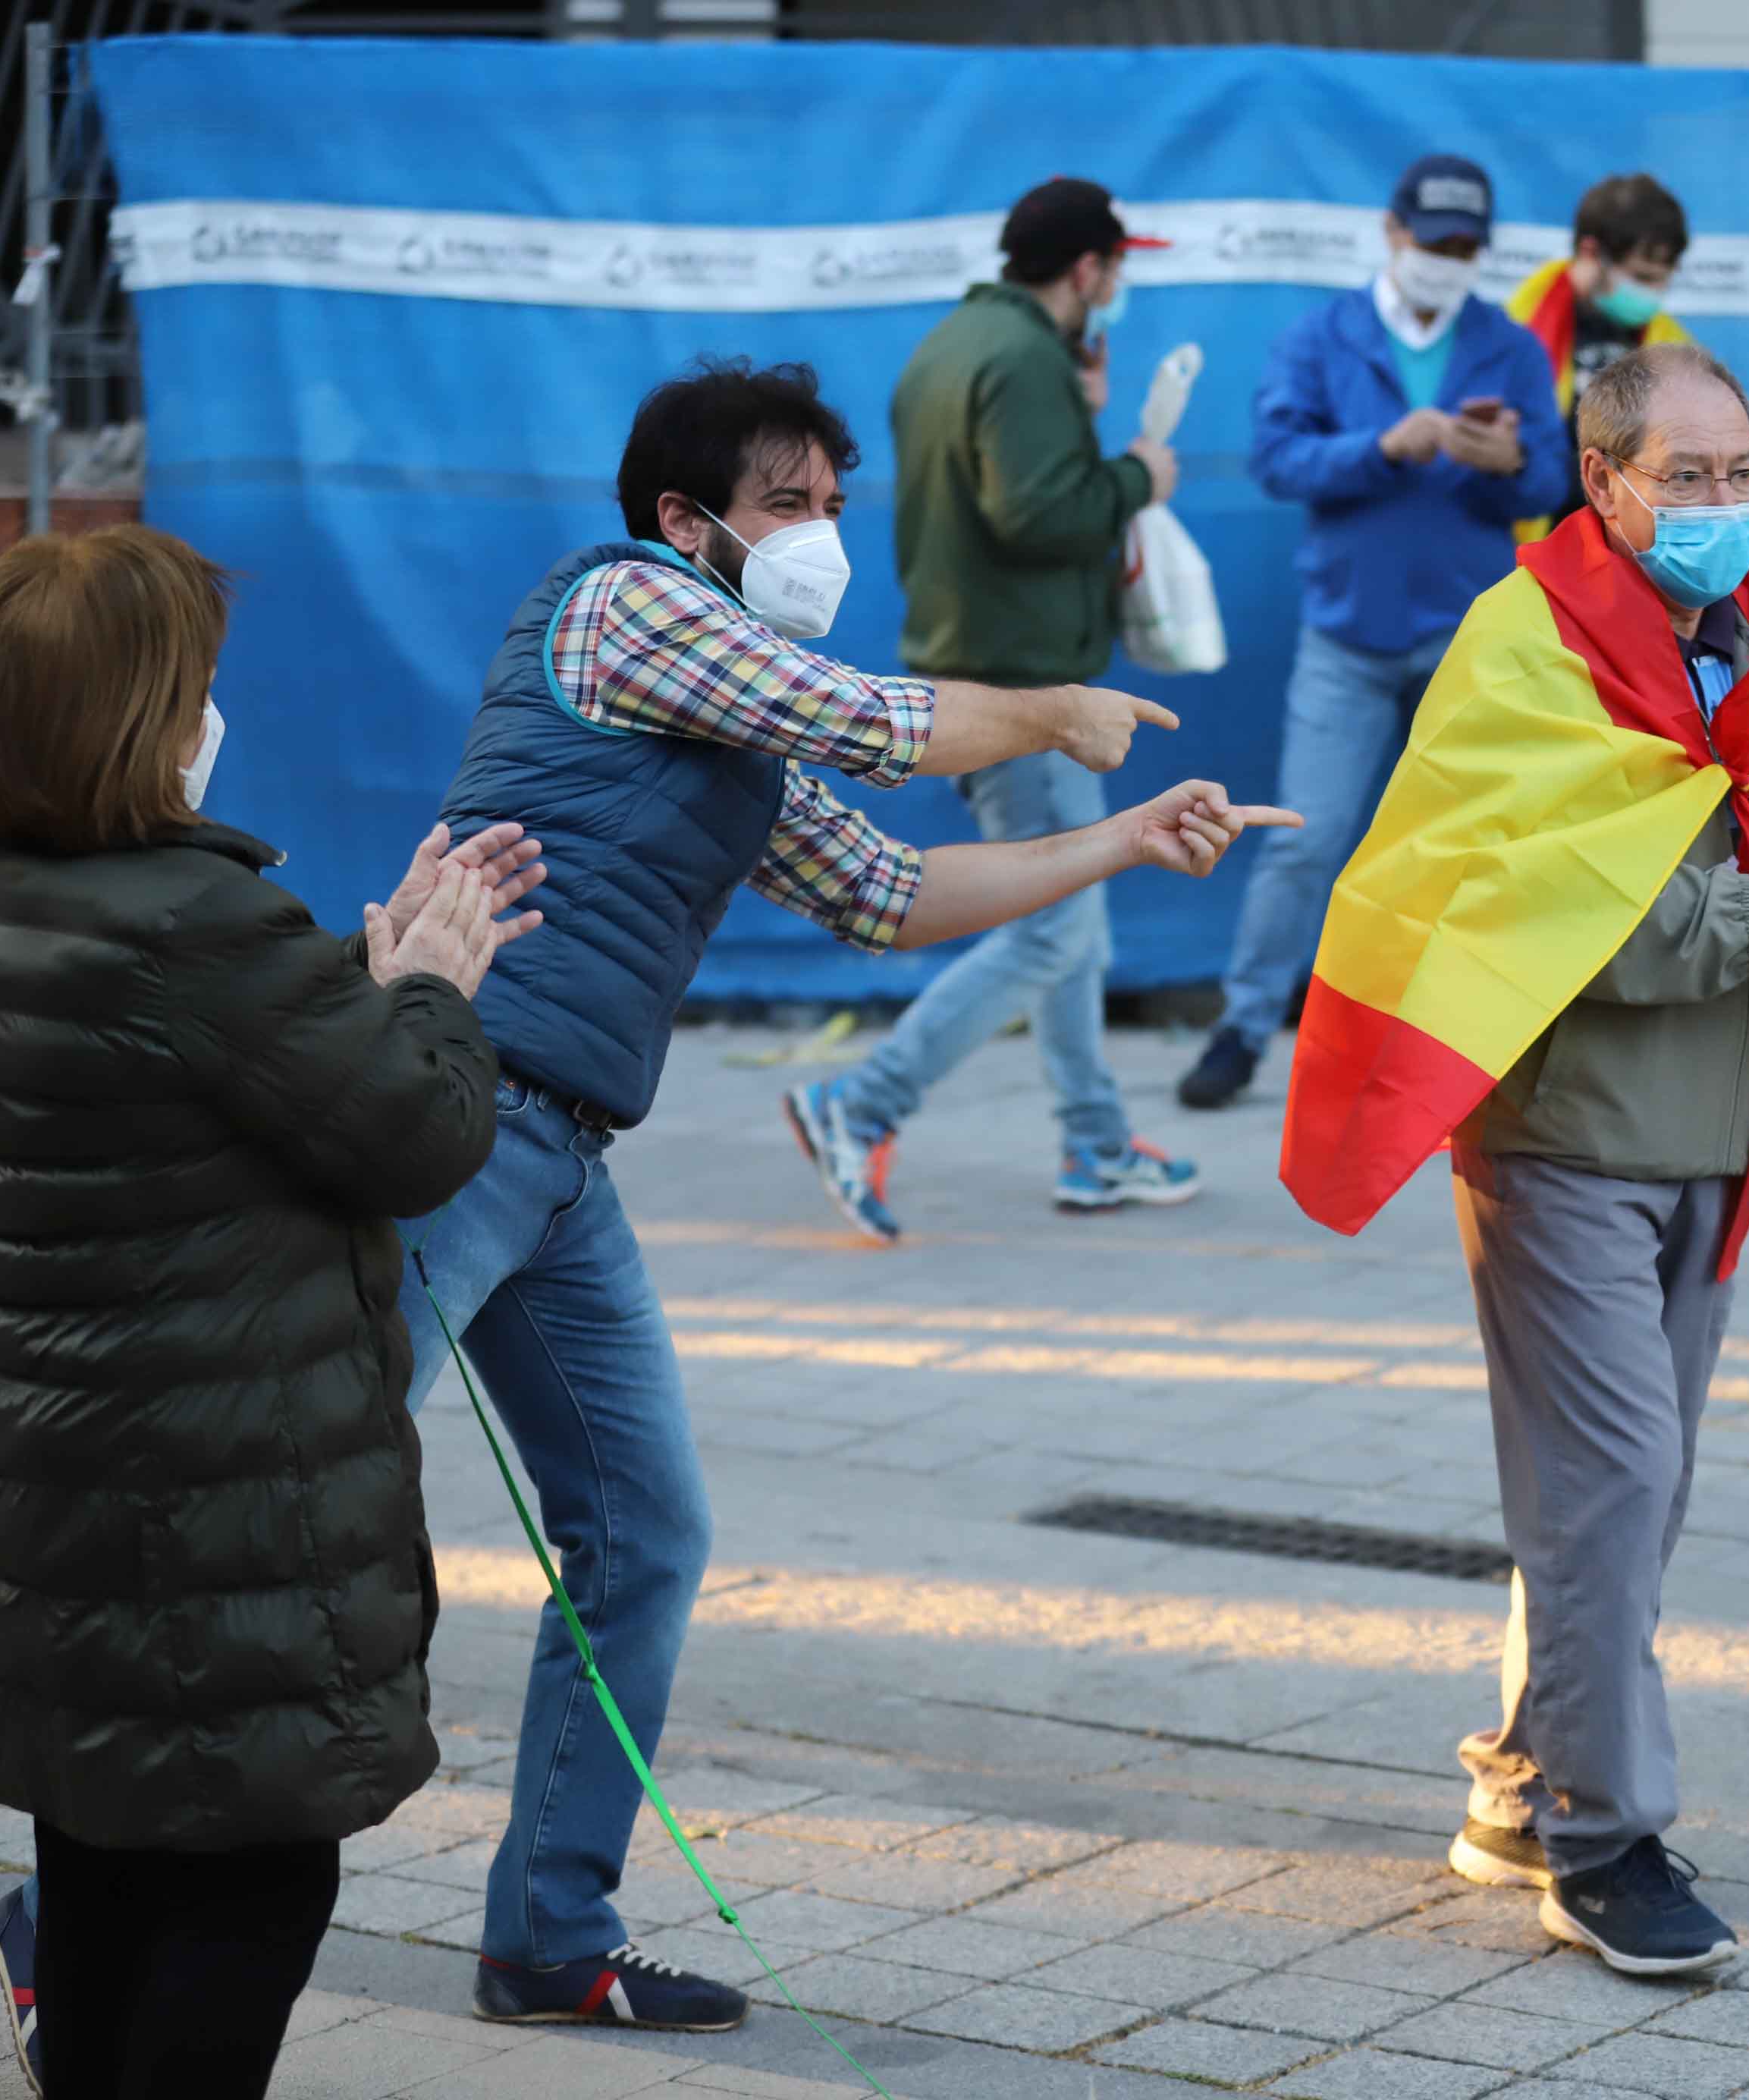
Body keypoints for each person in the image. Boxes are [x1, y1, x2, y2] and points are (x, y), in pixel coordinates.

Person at [403, 359, 1292, 2032]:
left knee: (645, 1533)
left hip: (560, 1152)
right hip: (445, 1126)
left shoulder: (731, 716)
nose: (819, 540)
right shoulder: (627, 607)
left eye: (831, 508)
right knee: (283, 1513)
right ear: (685, 523)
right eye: (786, 508)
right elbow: (880, 725)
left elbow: (886, 893)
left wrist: (1118, 839)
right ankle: (82, 1921)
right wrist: (1048, 707)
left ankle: (546, 1936)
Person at [1279, 344, 1749, 1975]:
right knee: (1613, 1484)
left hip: (1713, 1133)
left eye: (1744, 475)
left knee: (1622, 1506)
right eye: (1690, 474)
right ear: (1601, 481)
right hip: (1562, 1133)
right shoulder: (1522, 640)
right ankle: (1605, 1841)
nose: (1724, 505)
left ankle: (1524, 1785)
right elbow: (1512, 904)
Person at [0, 527, 535, 2095]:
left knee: (100, 1859)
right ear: (140, 717)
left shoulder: (7, 891)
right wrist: (430, 987)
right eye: (197, 684)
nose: (213, 710)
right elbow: (414, 1139)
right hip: (211, 1511)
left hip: (57, 1492)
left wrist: (350, 993)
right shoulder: (191, 924)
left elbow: (197, 1103)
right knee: (250, 1883)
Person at [786, 178, 1204, 1232]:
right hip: (1020, 689)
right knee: (1051, 934)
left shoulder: (960, 345)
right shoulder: (1022, 360)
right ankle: (859, 1105)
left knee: (1075, 925)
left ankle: (1097, 1145)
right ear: (1085, 270)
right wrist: (1136, 476)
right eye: (1116, 266)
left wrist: (1083, 418)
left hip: (982, 670)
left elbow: (1000, 492)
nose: (1118, 285)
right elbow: (1034, 515)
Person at [1176, 153, 1567, 1110]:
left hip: (1465, 638)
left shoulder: (1509, 346)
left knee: (1472, 847)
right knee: (1305, 839)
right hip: (1349, 635)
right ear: (1392, 234)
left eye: (1466, 247)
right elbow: (1275, 457)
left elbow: (1553, 483)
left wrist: (1506, 459)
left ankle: (1473, 1040)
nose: (1448, 259)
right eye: (1434, 242)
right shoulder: (1322, 338)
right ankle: (1243, 1024)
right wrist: (1381, 448)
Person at [1509, 172, 1694, 527]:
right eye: (1641, 278)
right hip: (1536, 543)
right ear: (1590, 252)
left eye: (1662, 279)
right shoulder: (1519, 326)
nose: (1653, 293)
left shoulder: (1676, 349)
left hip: (1627, 551)